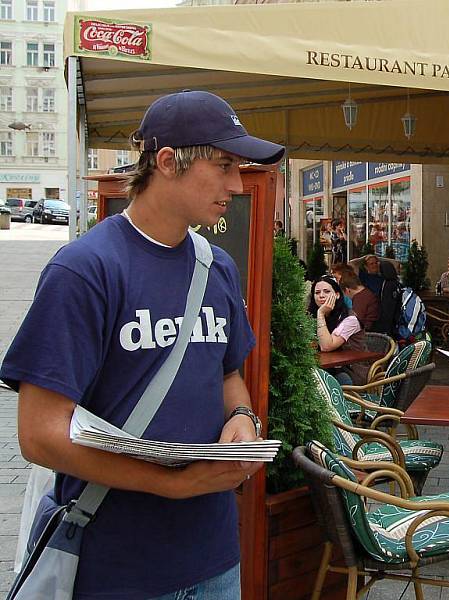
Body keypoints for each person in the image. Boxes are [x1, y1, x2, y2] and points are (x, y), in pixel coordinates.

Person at [0, 90, 284, 599]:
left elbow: (227, 376)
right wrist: (171, 483)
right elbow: (38, 435)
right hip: (116, 567)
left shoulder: (217, 267)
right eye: (223, 166)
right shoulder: (84, 271)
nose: (237, 185)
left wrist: (244, 422)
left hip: (215, 556)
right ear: (169, 162)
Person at [307, 275, 367, 384]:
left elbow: (326, 346)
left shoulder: (350, 320)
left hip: (350, 371)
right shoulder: (310, 316)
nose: (321, 296)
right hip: (326, 366)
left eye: (326, 291)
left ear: (337, 295)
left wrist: (320, 314)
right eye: (317, 292)